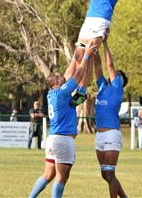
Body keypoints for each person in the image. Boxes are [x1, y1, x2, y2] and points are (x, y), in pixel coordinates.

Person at [29, 44, 96, 198]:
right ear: (56, 83)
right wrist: (85, 56)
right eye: (59, 77)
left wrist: (78, 56)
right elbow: (78, 74)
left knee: (48, 175)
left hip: (52, 139)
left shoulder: (52, 95)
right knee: (61, 178)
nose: (62, 76)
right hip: (63, 140)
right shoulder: (61, 92)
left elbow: (82, 83)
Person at [71, 0, 125, 105]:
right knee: (79, 55)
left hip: (101, 21)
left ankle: (81, 92)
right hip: (89, 21)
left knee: (90, 55)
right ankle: (74, 87)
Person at [93, 39, 129, 198]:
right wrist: (94, 50)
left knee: (109, 174)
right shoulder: (102, 86)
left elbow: (109, 66)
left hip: (111, 134)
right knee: (105, 174)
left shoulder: (117, 89)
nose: (117, 75)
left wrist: (106, 43)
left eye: (120, 76)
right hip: (99, 135)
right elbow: (99, 66)